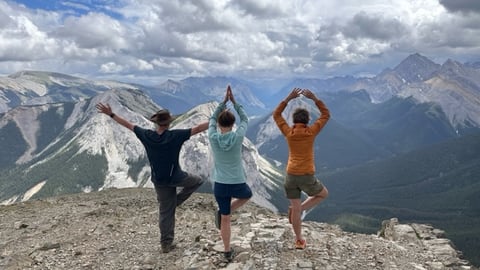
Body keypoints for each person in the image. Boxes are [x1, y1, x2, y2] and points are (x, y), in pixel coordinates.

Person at [96, 102, 208, 253]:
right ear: (169, 124)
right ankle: (175, 203)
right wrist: (217, 120)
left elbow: (128, 125)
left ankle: (166, 244)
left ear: (156, 123)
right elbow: (199, 128)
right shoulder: (175, 136)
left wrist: (111, 114)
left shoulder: (147, 136)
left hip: (159, 180)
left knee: (165, 211)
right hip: (176, 176)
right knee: (197, 181)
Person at [272, 88, 330, 250]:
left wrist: (288, 99)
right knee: (323, 194)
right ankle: (299, 208)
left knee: (296, 208)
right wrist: (315, 98)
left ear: (293, 120)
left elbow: (276, 115)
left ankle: (299, 240)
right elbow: (326, 115)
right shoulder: (311, 132)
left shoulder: (289, 132)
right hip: (306, 175)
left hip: (290, 175)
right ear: (307, 120)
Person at [208, 85, 252, 262]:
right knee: (247, 195)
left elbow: (211, 118)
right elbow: (246, 119)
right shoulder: (238, 136)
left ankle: (227, 251)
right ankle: (225, 211)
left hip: (220, 183)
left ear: (219, 124)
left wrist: (222, 103)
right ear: (233, 124)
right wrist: (234, 102)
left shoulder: (212, 136)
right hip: (237, 181)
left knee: (225, 218)